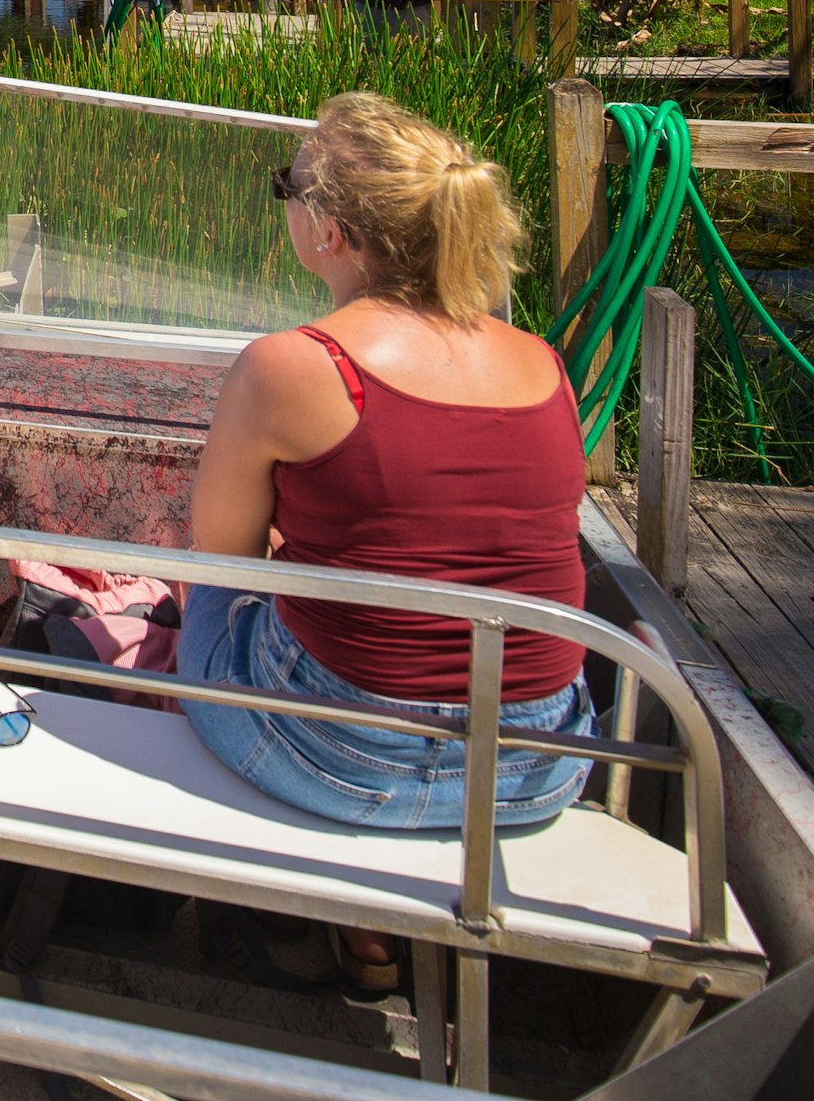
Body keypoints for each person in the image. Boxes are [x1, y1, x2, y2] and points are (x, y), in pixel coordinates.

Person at [181, 91, 600, 978]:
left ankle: (296, 918)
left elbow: (220, 557)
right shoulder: (545, 365)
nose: (286, 205)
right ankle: (369, 935)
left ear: (330, 233)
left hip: (341, 760)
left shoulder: (290, 366)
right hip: (535, 764)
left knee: (212, 595)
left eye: (285, 188)